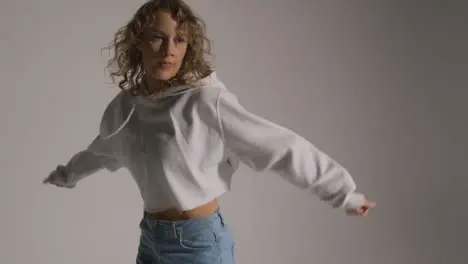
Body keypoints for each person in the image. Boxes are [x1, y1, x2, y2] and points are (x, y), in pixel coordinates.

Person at [43, 0, 376, 263]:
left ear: (189, 48)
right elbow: (102, 149)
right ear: (138, 42)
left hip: (199, 244)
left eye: (180, 40)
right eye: (158, 36)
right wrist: (67, 174)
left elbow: (278, 146)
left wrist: (342, 193)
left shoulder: (205, 101)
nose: (169, 49)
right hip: (151, 240)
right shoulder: (126, 107)